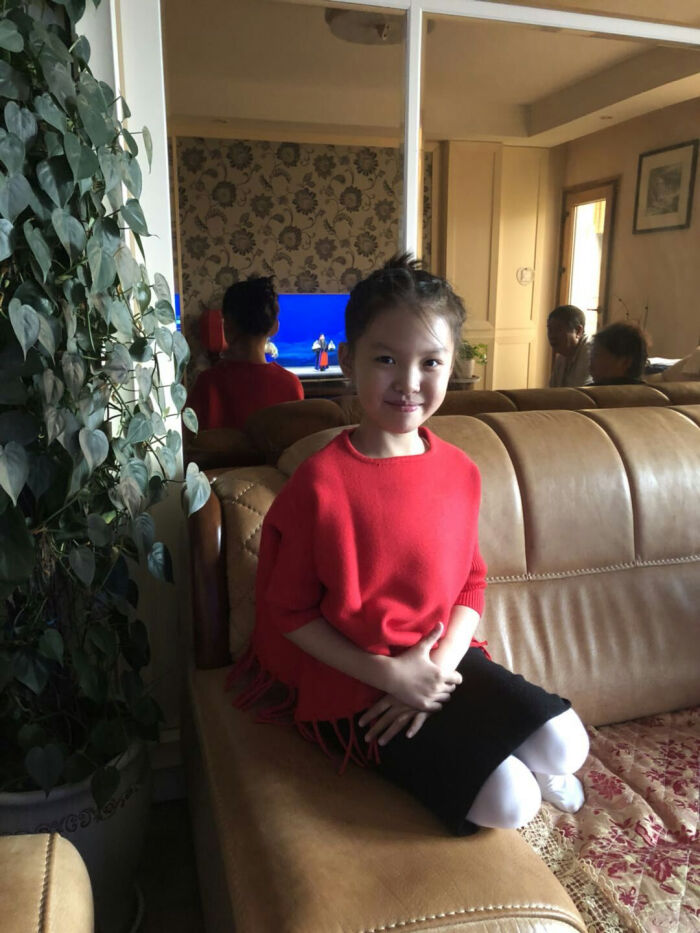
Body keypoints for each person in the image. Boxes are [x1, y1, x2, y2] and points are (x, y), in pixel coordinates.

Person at [229, 255, 589, 836]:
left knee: (568, 743)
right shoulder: (320, 483)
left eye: (430, 362)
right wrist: (392, 679)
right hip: (356, 683)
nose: (409, 382)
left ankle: (504, 752)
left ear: (452, 364)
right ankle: (497, 763)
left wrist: (435, 670)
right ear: (347, 359)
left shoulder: (460, 470)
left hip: (444, 658)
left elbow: (471, 582)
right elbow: (288, 612)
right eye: (386, 359)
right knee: (513, 803)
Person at [188, 277, 303, 431]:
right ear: (274, 328)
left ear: (226, 327)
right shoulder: (291, 384)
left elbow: (191, 439)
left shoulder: (207, 383)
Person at [547, 305, 593, 387]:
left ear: (578, 331)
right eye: (550, 329)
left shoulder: (590, 354)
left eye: (558, 329)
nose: (552, 335)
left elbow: (582, 393)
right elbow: (552, 390)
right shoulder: (563, 354)